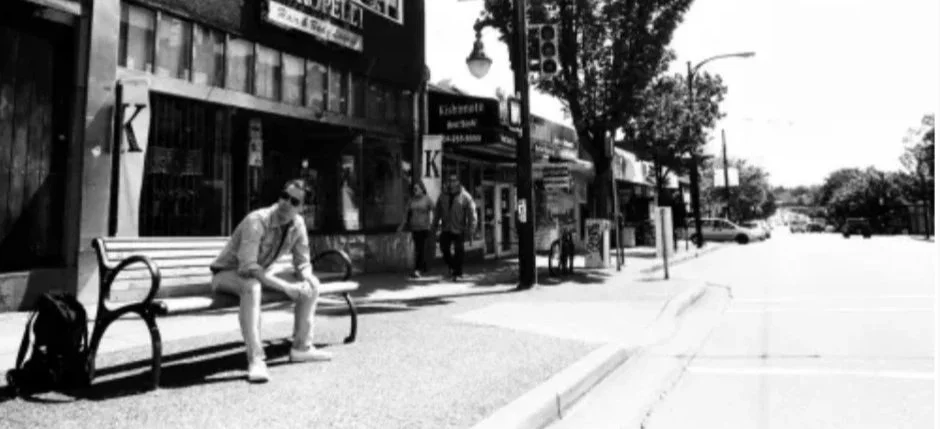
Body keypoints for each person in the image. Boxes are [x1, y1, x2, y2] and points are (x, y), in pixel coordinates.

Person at [209, 179, 332, 383]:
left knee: (313, 284)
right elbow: (248, 267)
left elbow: (302, 262)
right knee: (252, 286)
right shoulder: (257, 221)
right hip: (226, 274)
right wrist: (286, 287)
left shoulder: (298, 224)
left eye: (294, 201)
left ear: (302, 208)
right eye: (284, 196)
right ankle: (256, 360)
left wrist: (307, 278)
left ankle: (302, 347)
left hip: (257, 273)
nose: (286, 203)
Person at [434, 172, 478, 281]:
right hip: (446, 227)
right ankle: (452, 266)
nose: (452, 183)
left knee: (459, 250)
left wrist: (471, 227)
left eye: (454, 180)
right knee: (443, 248)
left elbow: (472, 213)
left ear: (458, 182)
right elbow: (438, 211)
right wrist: (434, 225)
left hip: (459, 228)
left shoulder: (465, 196)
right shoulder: (443, 195)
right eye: (450, 180)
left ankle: (458, 273)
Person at [398, 181, 435, 278]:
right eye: (414, 189)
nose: (415, 191)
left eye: (416, 189)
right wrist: (402, 225)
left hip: (424, 227)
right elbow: (406, 213)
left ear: (422, 189)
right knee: (418, 249)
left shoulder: (427, 199)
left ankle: (418, 269)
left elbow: (435, 210)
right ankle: (421, 267)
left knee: (421, 248)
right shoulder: (411, 200)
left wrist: (434, 223)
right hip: (415, 227)